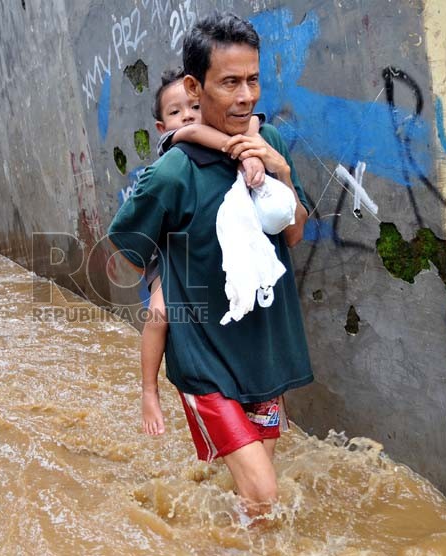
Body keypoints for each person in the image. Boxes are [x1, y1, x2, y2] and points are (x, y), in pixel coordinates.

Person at [108, 12, 313, 515]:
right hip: (206, 363)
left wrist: (280, 168)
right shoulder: (173, 172)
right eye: (230, 83)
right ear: (196, 87)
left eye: (253, 80)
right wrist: (170, 291)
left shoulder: (273, 146)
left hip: (264, 354)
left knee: (251, 498)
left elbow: (295, 231)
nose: (246, 96)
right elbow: (126, 250)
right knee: (267, 497)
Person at [141, 68, 267, 436]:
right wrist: (243, 151)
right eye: (176, 112)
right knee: (161, 310)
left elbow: (255, 121)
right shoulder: (176, 146)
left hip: (214, 249)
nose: (188, 116)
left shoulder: (230, 132)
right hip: (171, 250)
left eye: (195, 107)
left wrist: (253, 151)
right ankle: (149, 390)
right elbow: (198, 133)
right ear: (163, 127)